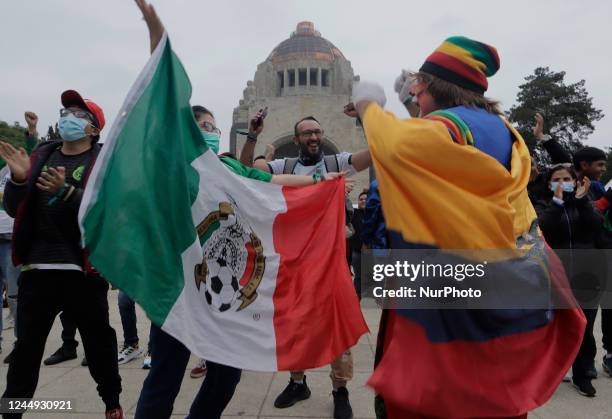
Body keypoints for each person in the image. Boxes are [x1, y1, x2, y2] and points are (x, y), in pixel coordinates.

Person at [133, 3, 353, 417]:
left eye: (214, 127)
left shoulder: (231, 167)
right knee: (166, 374)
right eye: (202, 126)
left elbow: (275, 183)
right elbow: (162, 95)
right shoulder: (175, 162)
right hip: (180, 286)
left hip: (226, 291)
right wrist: (155, 31)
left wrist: (325, 182)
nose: (211, 133)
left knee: (225, 377)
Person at [353, 36, 585, 419]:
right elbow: (446, 157)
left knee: (439, 397)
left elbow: (396, 146)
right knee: (497, 394)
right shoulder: (502, 130)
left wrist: (369, 103)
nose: (416, 98)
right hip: (507, 282)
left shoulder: (450, 125)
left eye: (418, 89)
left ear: (430, 86)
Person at [0, 90, 123, 419]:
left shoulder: (103, 161)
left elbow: (107, 211)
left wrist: (67, 191)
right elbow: (15, 209)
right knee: (25, 350)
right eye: (65, 110)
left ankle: (112, 403)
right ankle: (11, 411)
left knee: (99, 345)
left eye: (78, 113)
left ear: (94, 128)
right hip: (37, 270)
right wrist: (18, 179)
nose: (68, 116)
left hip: (82, 272)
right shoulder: (41, 155)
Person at [245, 110, 369, 419]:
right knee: (293, 324)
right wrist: (253, 136)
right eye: (307, 133)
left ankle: (340, 390)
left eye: (317, 132)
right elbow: (250, 168)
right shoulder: (285, 166)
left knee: (336, 326)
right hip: (296, 262)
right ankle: (297, 382)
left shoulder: (334, 163)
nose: (314, 137)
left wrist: (368, 119)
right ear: (297, 138)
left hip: (330, 262)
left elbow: (370, 157)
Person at [535, 164, 603, 396]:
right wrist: (556, 203)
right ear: (549, 184)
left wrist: (583, 201)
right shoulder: (543, 205)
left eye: (567, 178)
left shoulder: (586, 202)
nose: (563, 182)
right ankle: (546, 375)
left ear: (575, 181)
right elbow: (542, 227)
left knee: (584, 327)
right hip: (555, 276)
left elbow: (596, 225)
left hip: (587, 274)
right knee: (552, 325)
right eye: (557, 179)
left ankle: (582, 375)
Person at [0, 112, 38, 361]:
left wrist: (32, 131)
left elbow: (33, 155)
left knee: (15, 294)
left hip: (10, 239)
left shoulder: (13, 170)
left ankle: (20, 344)